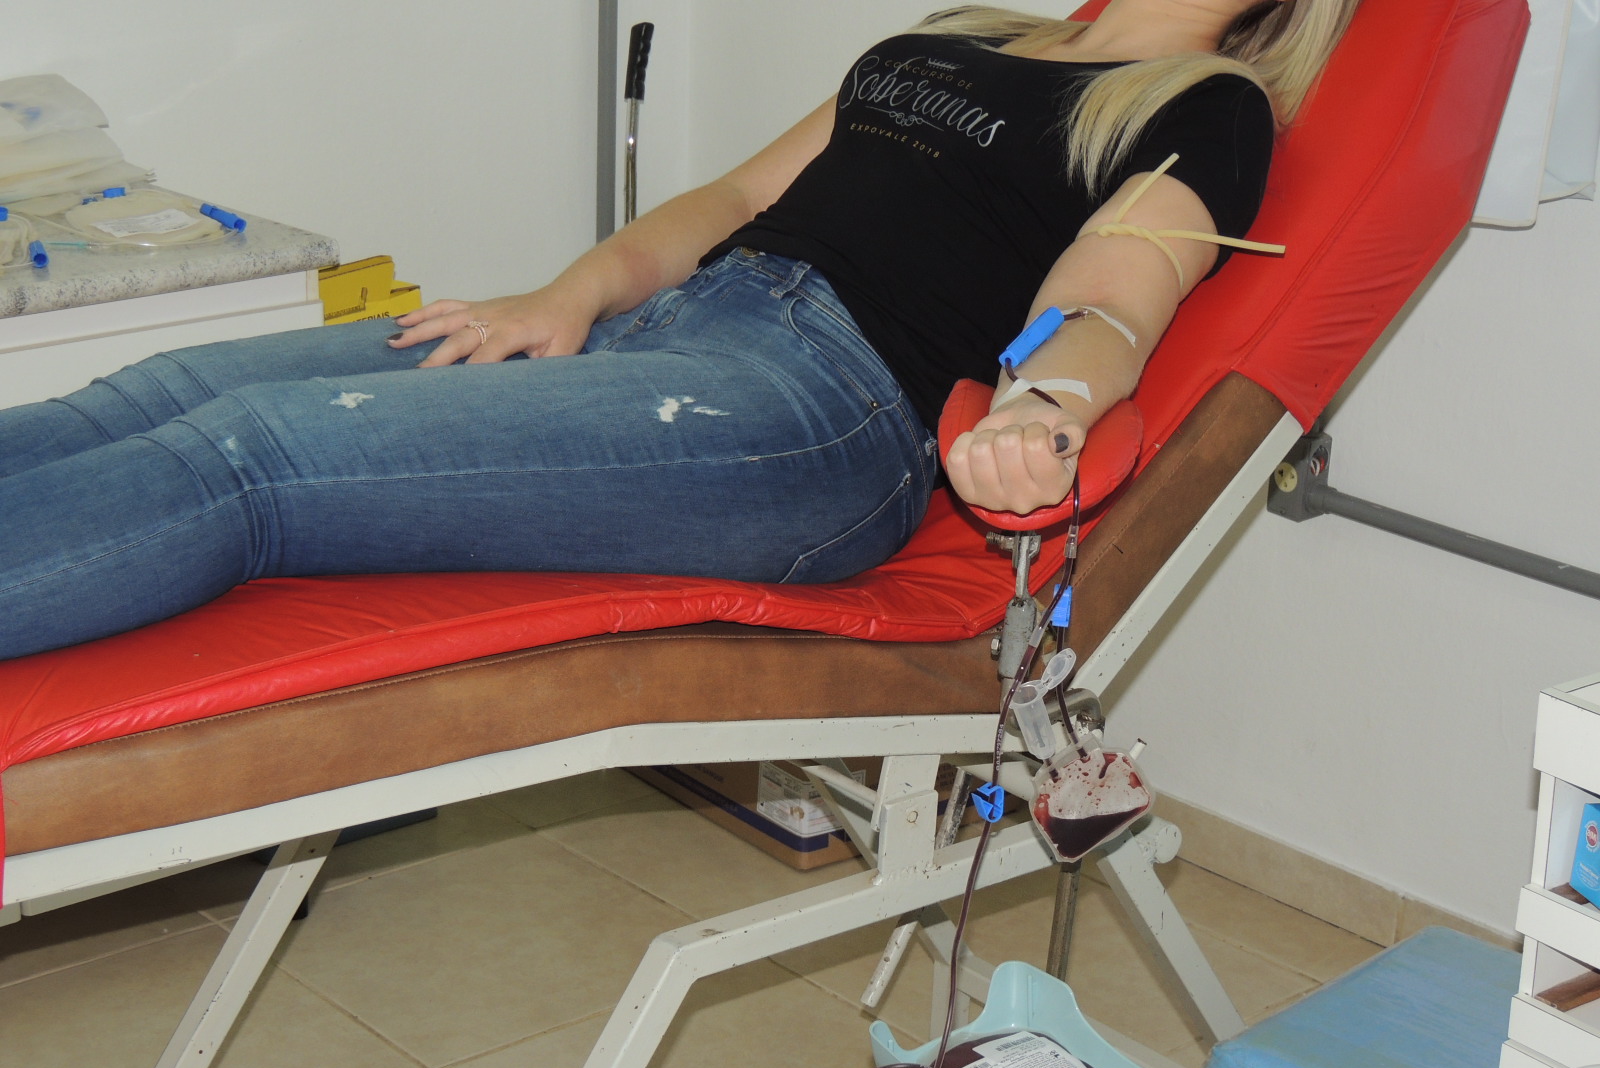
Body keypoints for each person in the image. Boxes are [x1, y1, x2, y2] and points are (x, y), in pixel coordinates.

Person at [0, 0, 1358, 660]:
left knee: (254, 458)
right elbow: (737, 200)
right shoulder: (965, 34)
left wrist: (1047, 404)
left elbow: (1112, 295)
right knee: (165, 391)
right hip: (664, 329)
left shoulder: (1205, 105)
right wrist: (569, 295)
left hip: (809, 414)